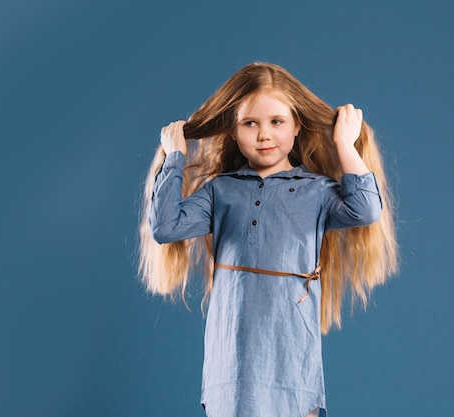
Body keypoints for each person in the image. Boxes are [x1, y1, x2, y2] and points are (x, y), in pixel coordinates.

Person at [138, 62, 398, 417]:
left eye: (276, 121)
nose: (264, 135)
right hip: (233, 351)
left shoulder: (317, 192)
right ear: (232, 131)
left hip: (290, 346)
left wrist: (344, 144)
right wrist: (174, 158)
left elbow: (366, 210)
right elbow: (165, 226)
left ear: (296, 126)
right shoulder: (220, 190)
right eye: (250, 123)